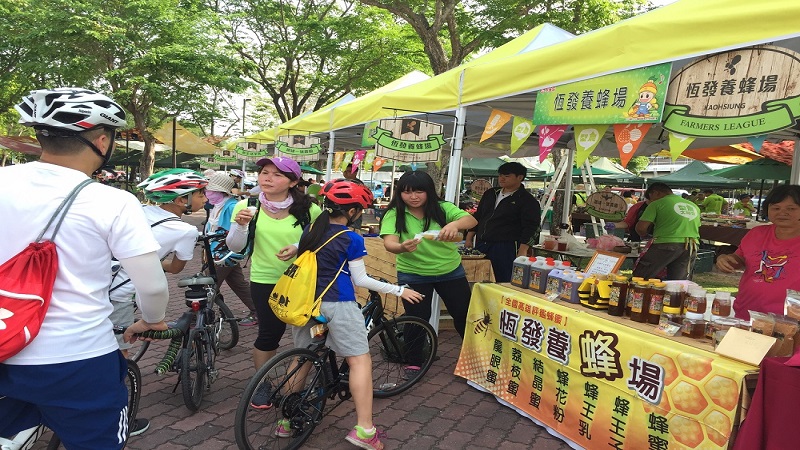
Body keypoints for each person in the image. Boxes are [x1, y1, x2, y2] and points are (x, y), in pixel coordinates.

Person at [0, 88, 169, 449]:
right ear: (102, 140)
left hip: (4, 343)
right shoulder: (114, 201)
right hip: (78, 357)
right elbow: (152, 286)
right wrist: (152, 319)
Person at [286, 179, 422, 449]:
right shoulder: (351, 238)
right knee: (360, 361)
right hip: (338, 303)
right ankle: (365, 430)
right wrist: (397, 291)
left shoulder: (311, 230)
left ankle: (287, 419)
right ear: (353, 212)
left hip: (304, 303)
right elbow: (361, 280)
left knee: (302, 357)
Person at [110, 168, 207, 435]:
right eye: (200, 193)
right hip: (118, 295)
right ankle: (116, 419)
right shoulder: (185, 230)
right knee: (119, 357)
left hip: (92, 286)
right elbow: (175, 269)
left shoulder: (135, 211)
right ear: (180, 200)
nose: (204, 198)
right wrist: (148, 263)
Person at [226, 156, 322, 405]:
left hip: (304, 279)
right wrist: (241, 227)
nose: (267, 178)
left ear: (293, 181)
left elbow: (320, 240)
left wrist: (295, 246)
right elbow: (236, 246)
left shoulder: (310, 209)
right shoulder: (246, 206)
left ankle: (306, 380)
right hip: (265, 279)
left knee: (309, 332)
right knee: (269, 334)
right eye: (264, 172)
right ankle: (263, 382)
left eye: (277, 174)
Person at [380, 171, 478, 338]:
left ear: (429, 191)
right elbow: (390, 243)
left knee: (464, 314)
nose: (413, 197)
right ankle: (415, 361)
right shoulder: (394, 213)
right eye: (407, 192)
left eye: (419, 191)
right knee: (418, 318)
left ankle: (471, 356)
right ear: (399, 193)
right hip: (413, 273)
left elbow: (472, 221)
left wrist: (454, 225)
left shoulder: (443, 207)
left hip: (450, 270)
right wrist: (402, 247)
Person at [717, 185, 800, 320]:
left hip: (790, 324)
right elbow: (740, 259)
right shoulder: (757, 233)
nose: (782, 212)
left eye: (791, 208)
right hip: (747, 314)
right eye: (776, 208)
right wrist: (726, 259)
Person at [465, 162, 541, 283]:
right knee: (478, 277)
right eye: (500, 175)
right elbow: (478, 216)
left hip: (506, 246)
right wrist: (469, 238)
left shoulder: (527, 200)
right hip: (482, 243)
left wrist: (523, 250)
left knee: (502, 279)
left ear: (520, 177)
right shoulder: (490, 193)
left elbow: (532, 227)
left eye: (507, 176)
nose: (502, 178)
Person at [204, 172, 258, 326]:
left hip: (225, 254)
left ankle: (198, 316)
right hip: (218, 252)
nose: (207, 193)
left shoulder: (232, 206)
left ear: (221, 192)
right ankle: (257, 311)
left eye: (211, 190)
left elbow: (237, 231)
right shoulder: (217, 205)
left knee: (207, 283)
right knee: (238, 284)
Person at [632, 182, 701, 280]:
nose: (650, 201)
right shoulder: (693, 206)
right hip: (691, 245)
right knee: (678, 283)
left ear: (655, 193)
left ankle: (636, 295)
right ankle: (674, 295)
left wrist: (645, 236)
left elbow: (641, 228)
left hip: (665, 243)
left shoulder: (657, 204)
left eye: (650, 198)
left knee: (641, 276)